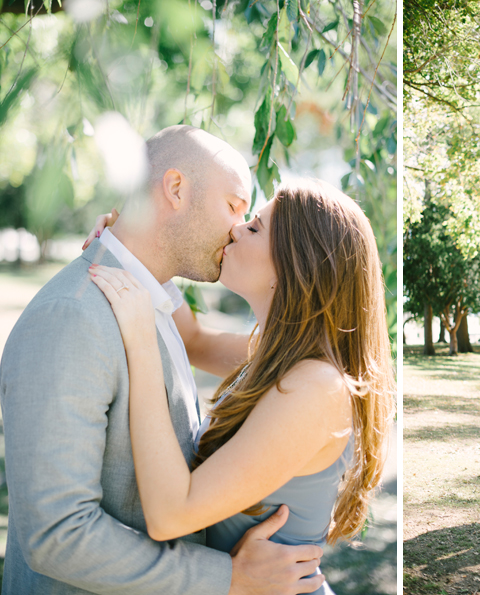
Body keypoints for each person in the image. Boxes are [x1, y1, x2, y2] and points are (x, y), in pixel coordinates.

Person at [0, 126, 326, 595]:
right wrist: (228, 578)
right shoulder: (71, 318)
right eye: (234, 205)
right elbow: (56, 536)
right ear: (176, 189)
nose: (238, 227)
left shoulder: (150, 305)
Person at [88, 177, 394, 594]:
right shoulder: (277, 357)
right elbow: (194, 340)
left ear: (294, 264)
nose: (234, 229)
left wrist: (140, 343)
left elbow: (170, 514)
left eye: (253, 228)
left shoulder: (316, 388)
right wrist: (127, 246)